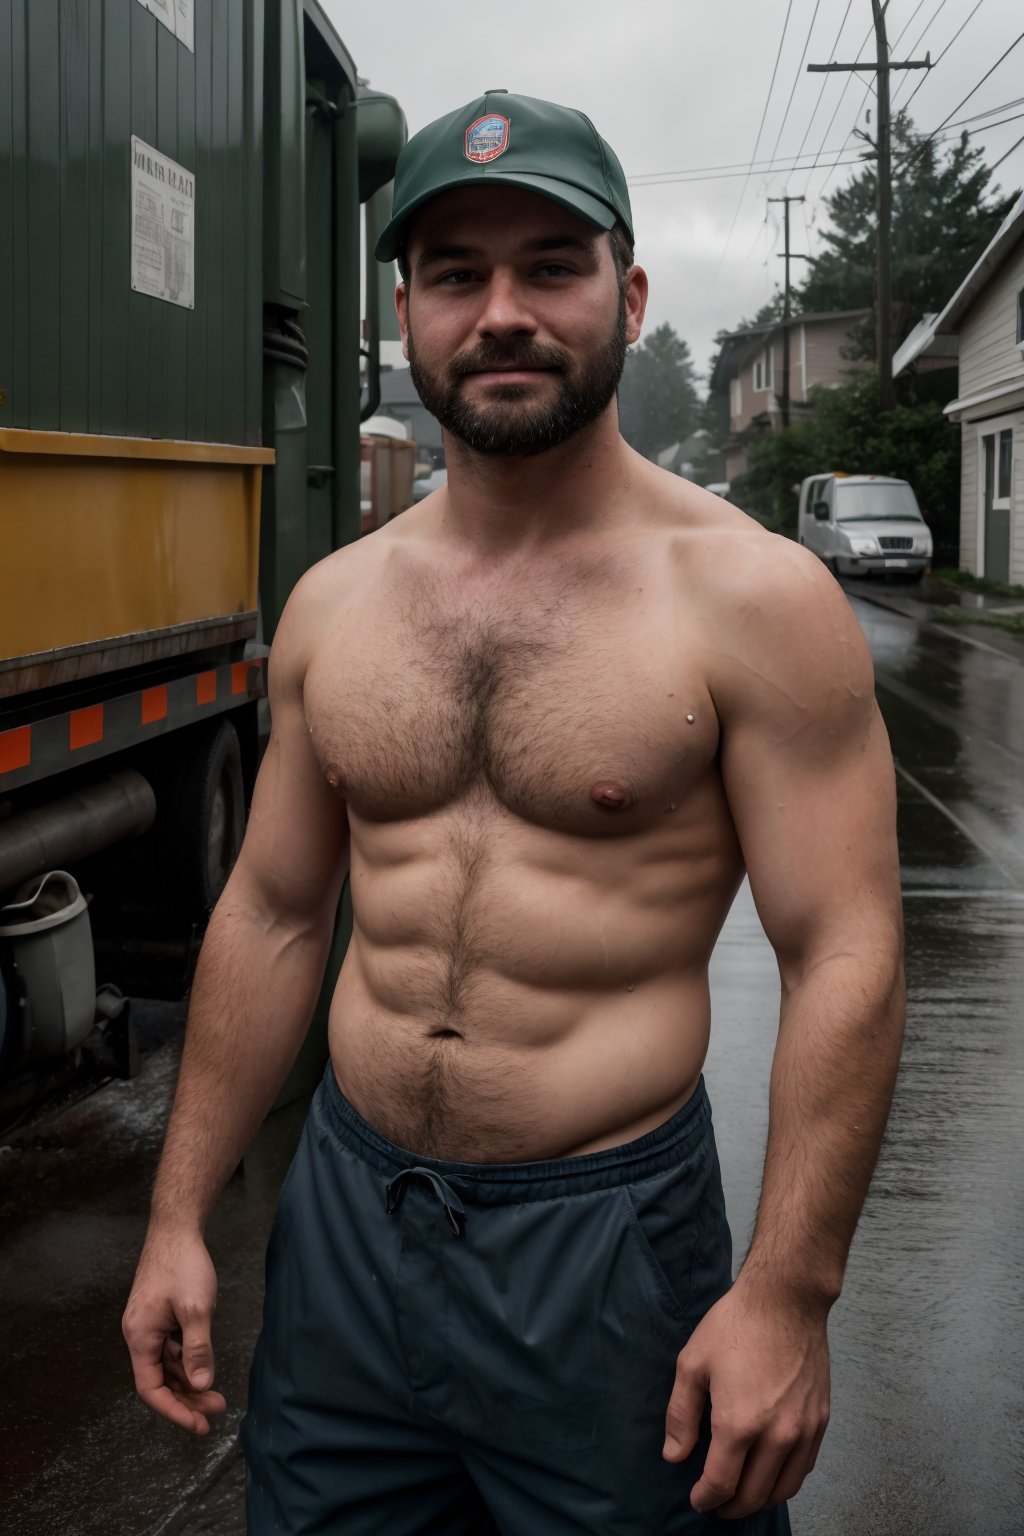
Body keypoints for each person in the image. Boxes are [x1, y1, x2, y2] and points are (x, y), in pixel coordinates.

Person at [123, 91, 905, 1533]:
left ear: (629, 289)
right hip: (347, 1227)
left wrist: (789, 1293)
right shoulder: (337, 605)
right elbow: (278, 911)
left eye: (551, 264)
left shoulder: (753, 601)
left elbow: (844, 949)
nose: (502, 312)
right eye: (454, 273)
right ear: (404, 305)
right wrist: (179, 1217)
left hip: (607, 1251)